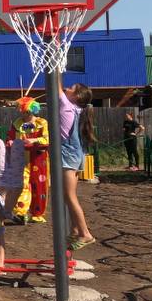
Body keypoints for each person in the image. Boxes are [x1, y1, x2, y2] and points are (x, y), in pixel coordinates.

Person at [61, 84, 97, 250]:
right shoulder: (76, 109)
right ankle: (75, 229)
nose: (67, 88)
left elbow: (56, 87)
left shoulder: (66, 105)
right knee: (68, 195)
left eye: (71, 87)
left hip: (69, 154)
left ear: (76, 96)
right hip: (76, 153)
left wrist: (55, 70)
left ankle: (85, 233)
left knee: (69, 196)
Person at [6, 97, 49, 223]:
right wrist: (11, 142)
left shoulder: (42, 123)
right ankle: (20, 213)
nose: (23, 114)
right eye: (22, 111)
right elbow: (10, 138)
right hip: (21, 159)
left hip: (38, 159)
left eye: (26, 112)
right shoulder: (17, 124)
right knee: (22, 184)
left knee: (39, 186)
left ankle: (37, 213)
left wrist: (34, 140)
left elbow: (46, 139)